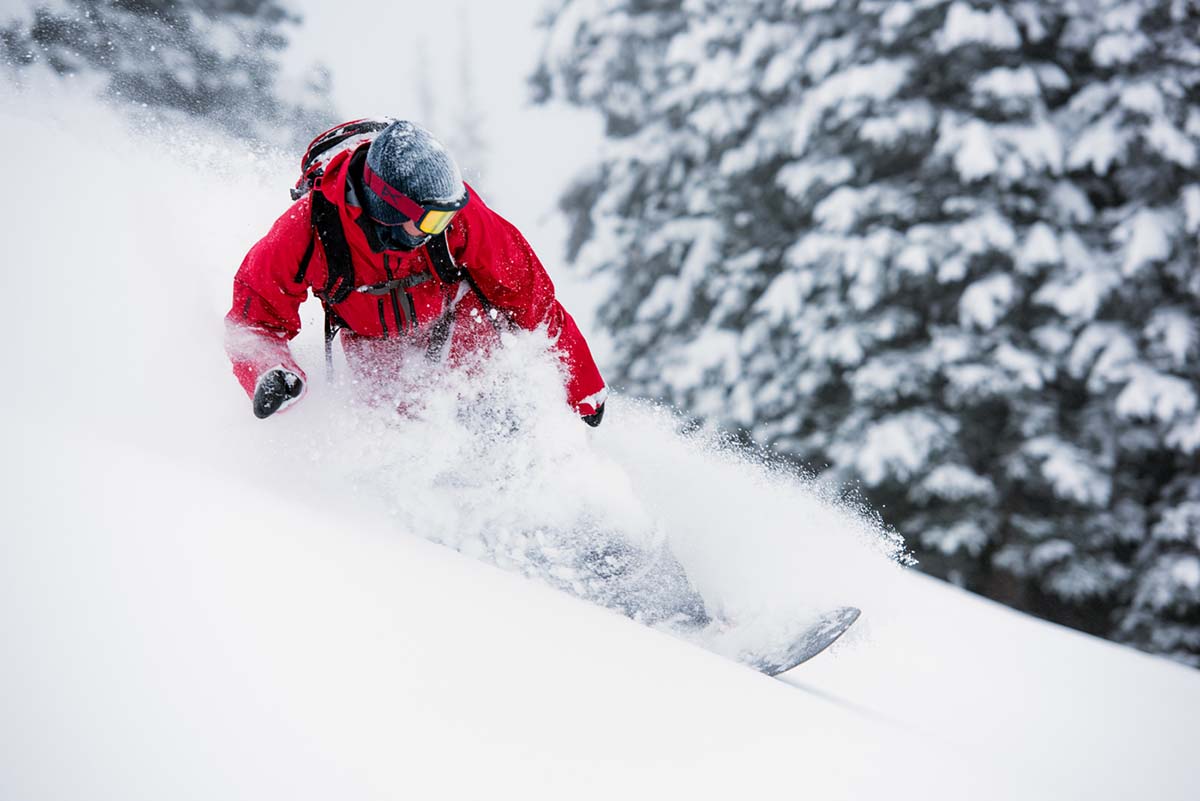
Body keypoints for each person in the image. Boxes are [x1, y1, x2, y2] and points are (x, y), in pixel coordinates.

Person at [224, 120, 607, 424]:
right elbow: (253, 321)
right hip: (374, 345)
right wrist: (270, 372)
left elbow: (530, 298)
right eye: (432, 220)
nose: (444, 227)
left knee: (491, 408)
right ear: (388, 210)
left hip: (458, 320)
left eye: (448, 215)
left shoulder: (459, 218)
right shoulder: (307, 230)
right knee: (394, 434)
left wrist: (580, 386)